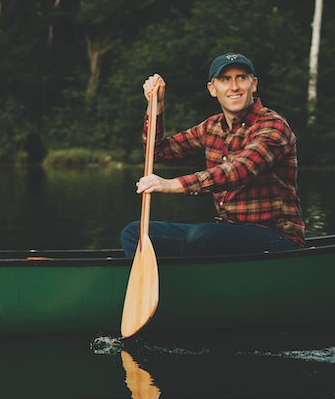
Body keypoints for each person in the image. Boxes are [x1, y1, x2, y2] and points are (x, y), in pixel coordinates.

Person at [120, 52, 303, 259]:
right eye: (225, 80)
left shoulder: (273, 125)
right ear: (212, 89)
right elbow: (157, 152)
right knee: (136, 233)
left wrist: (172, 185)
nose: (234, 87)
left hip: (276, 239)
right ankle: (167, 287)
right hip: (227, 233)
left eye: (241, 78)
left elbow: (239, 171)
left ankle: (196, 283)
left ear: (253, 84)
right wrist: (157, 105)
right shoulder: (211, 127)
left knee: (202, 236)